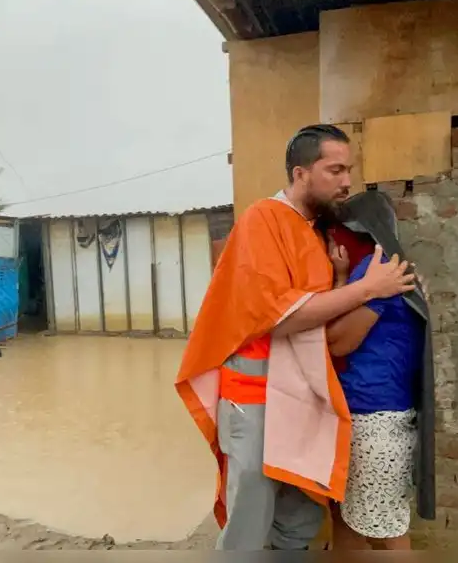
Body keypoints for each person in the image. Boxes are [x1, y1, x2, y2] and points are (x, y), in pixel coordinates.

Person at [175, 124, 416, 551]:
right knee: (251, 513)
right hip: (255, 394)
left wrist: (344, 279)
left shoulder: (314, 228)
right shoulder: (262, 220)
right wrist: (367, 289)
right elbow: (279, 319)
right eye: (335, 170)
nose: (346, 181)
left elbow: (319, 304)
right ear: (300, 173)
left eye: (349, 170)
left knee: (301, 514)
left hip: (302, 393)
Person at [324, 199, 428, 551]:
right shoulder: (384, 269)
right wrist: (342, 277)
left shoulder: (378, 271)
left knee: (385, 528)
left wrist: (346, 280)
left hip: (375, 419)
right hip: (373, 413)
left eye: (334, 235)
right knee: (348, 518)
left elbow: (338, 342)